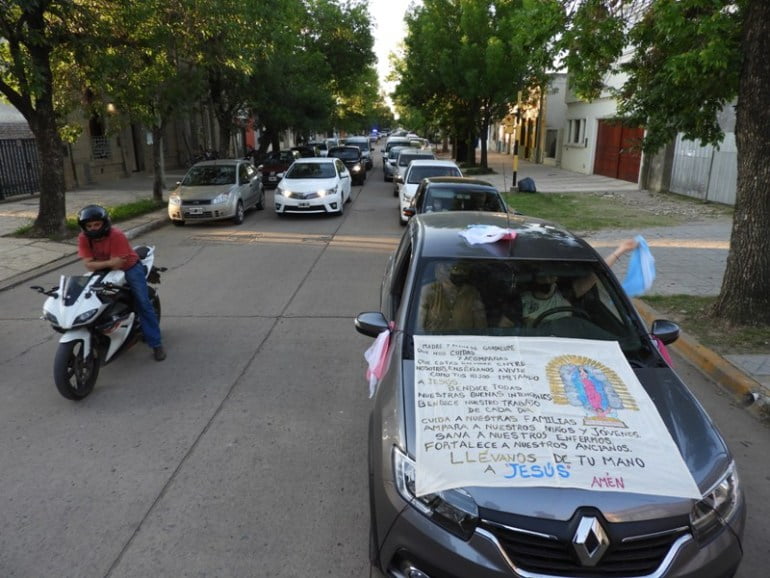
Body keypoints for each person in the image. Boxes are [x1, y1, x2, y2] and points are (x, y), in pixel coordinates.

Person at [76, 205, 166, 361]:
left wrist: (98, 264)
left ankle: (156, 344)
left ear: (104, 223)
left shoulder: (116, 235)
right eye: (89, 226)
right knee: (88, 296)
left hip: (130, 268)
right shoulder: (84, 238)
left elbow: (117, 264)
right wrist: (106, 263)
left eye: (97, 224)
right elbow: (88, 265)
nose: (93, 228)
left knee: (142, 303)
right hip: (104, 271)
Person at [520, 238, 639, 326]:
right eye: (542, 276)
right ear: (534, 277)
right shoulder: (521, 301)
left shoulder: (566, 294)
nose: (547, 280)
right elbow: (509, 326)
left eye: (551, 276)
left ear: (556, 277)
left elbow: (597, 273)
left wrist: (621, 250)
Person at [418, 262, 487, 331]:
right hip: (431, 338)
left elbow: (481, 328)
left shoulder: (472, 294)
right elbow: (418, 327)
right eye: (453, 269)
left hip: (463, 338)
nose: (458, 272)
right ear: (440, 270)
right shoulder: (428, 291)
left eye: (463, 269)